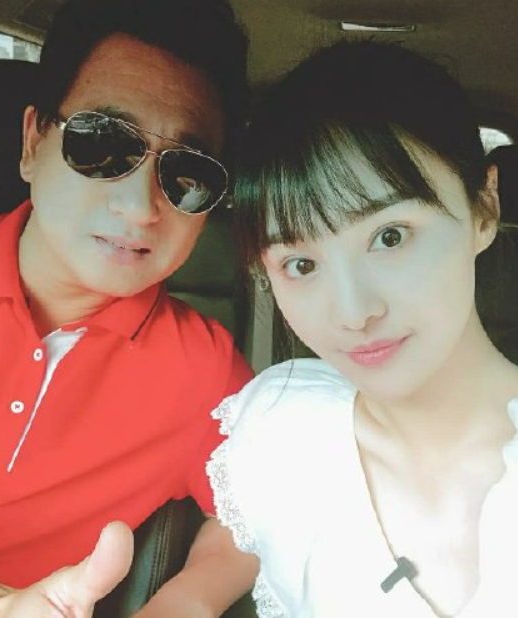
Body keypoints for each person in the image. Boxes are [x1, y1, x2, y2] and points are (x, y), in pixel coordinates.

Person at [206, 40, 518, 617]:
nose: (353, 313)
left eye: (390, 236)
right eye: (301, 265)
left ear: (484, 209)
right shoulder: (279, 436)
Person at [0, 0, 259, 616]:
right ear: (32, 143)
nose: (139, 206)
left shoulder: (202, 372)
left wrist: (186, 603)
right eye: (101, 143)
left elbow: (262, 511)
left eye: (188, 174)